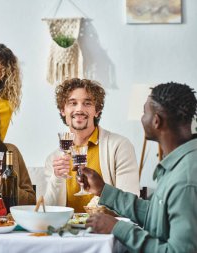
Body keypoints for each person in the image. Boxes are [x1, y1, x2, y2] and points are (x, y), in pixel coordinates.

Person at [81, 82, 197, 252]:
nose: (142, 118)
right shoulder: (180, 163)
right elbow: (156, 215)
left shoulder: (185, 180)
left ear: (156, 121)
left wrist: (117, 228)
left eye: (144, 113)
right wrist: (103, 190)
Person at [44, 78, 140, 213]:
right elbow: (48, 211)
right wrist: (57, 177)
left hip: (107, 230)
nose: (79, 109)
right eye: (73, 103)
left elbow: (129, 203)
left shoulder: (119, 146)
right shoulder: (53, 159)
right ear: (62, 110)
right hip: (65, 232)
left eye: (87, 103)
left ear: (97, 111)